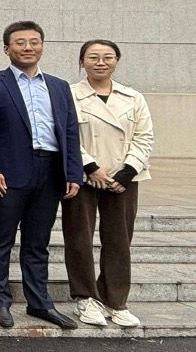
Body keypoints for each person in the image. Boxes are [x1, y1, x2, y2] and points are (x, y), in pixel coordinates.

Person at [0, 21, 83, 330]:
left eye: (34, 42)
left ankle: (40, 303)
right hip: (9, 172)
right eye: (20, 42)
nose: (28, 47)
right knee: (1, 239)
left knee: (38, 242)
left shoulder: (58, 86)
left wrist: (73, 172)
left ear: (42, 46)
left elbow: (69, 130)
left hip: (50, 172)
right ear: (6, 49)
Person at [62, 40, 153, 328]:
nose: (100, 62)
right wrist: (90, 167)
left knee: (119, 240)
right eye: (93, 57)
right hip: (83, 177)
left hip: (123, 179)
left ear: (116, 61)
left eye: (108, 57)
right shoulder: (69, 94)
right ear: (82, 62)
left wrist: (127, 171)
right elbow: (65, 135)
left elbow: (144, 137)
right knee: (79, 238)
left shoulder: (133, 97)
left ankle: (115, 300)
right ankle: (86, 297)